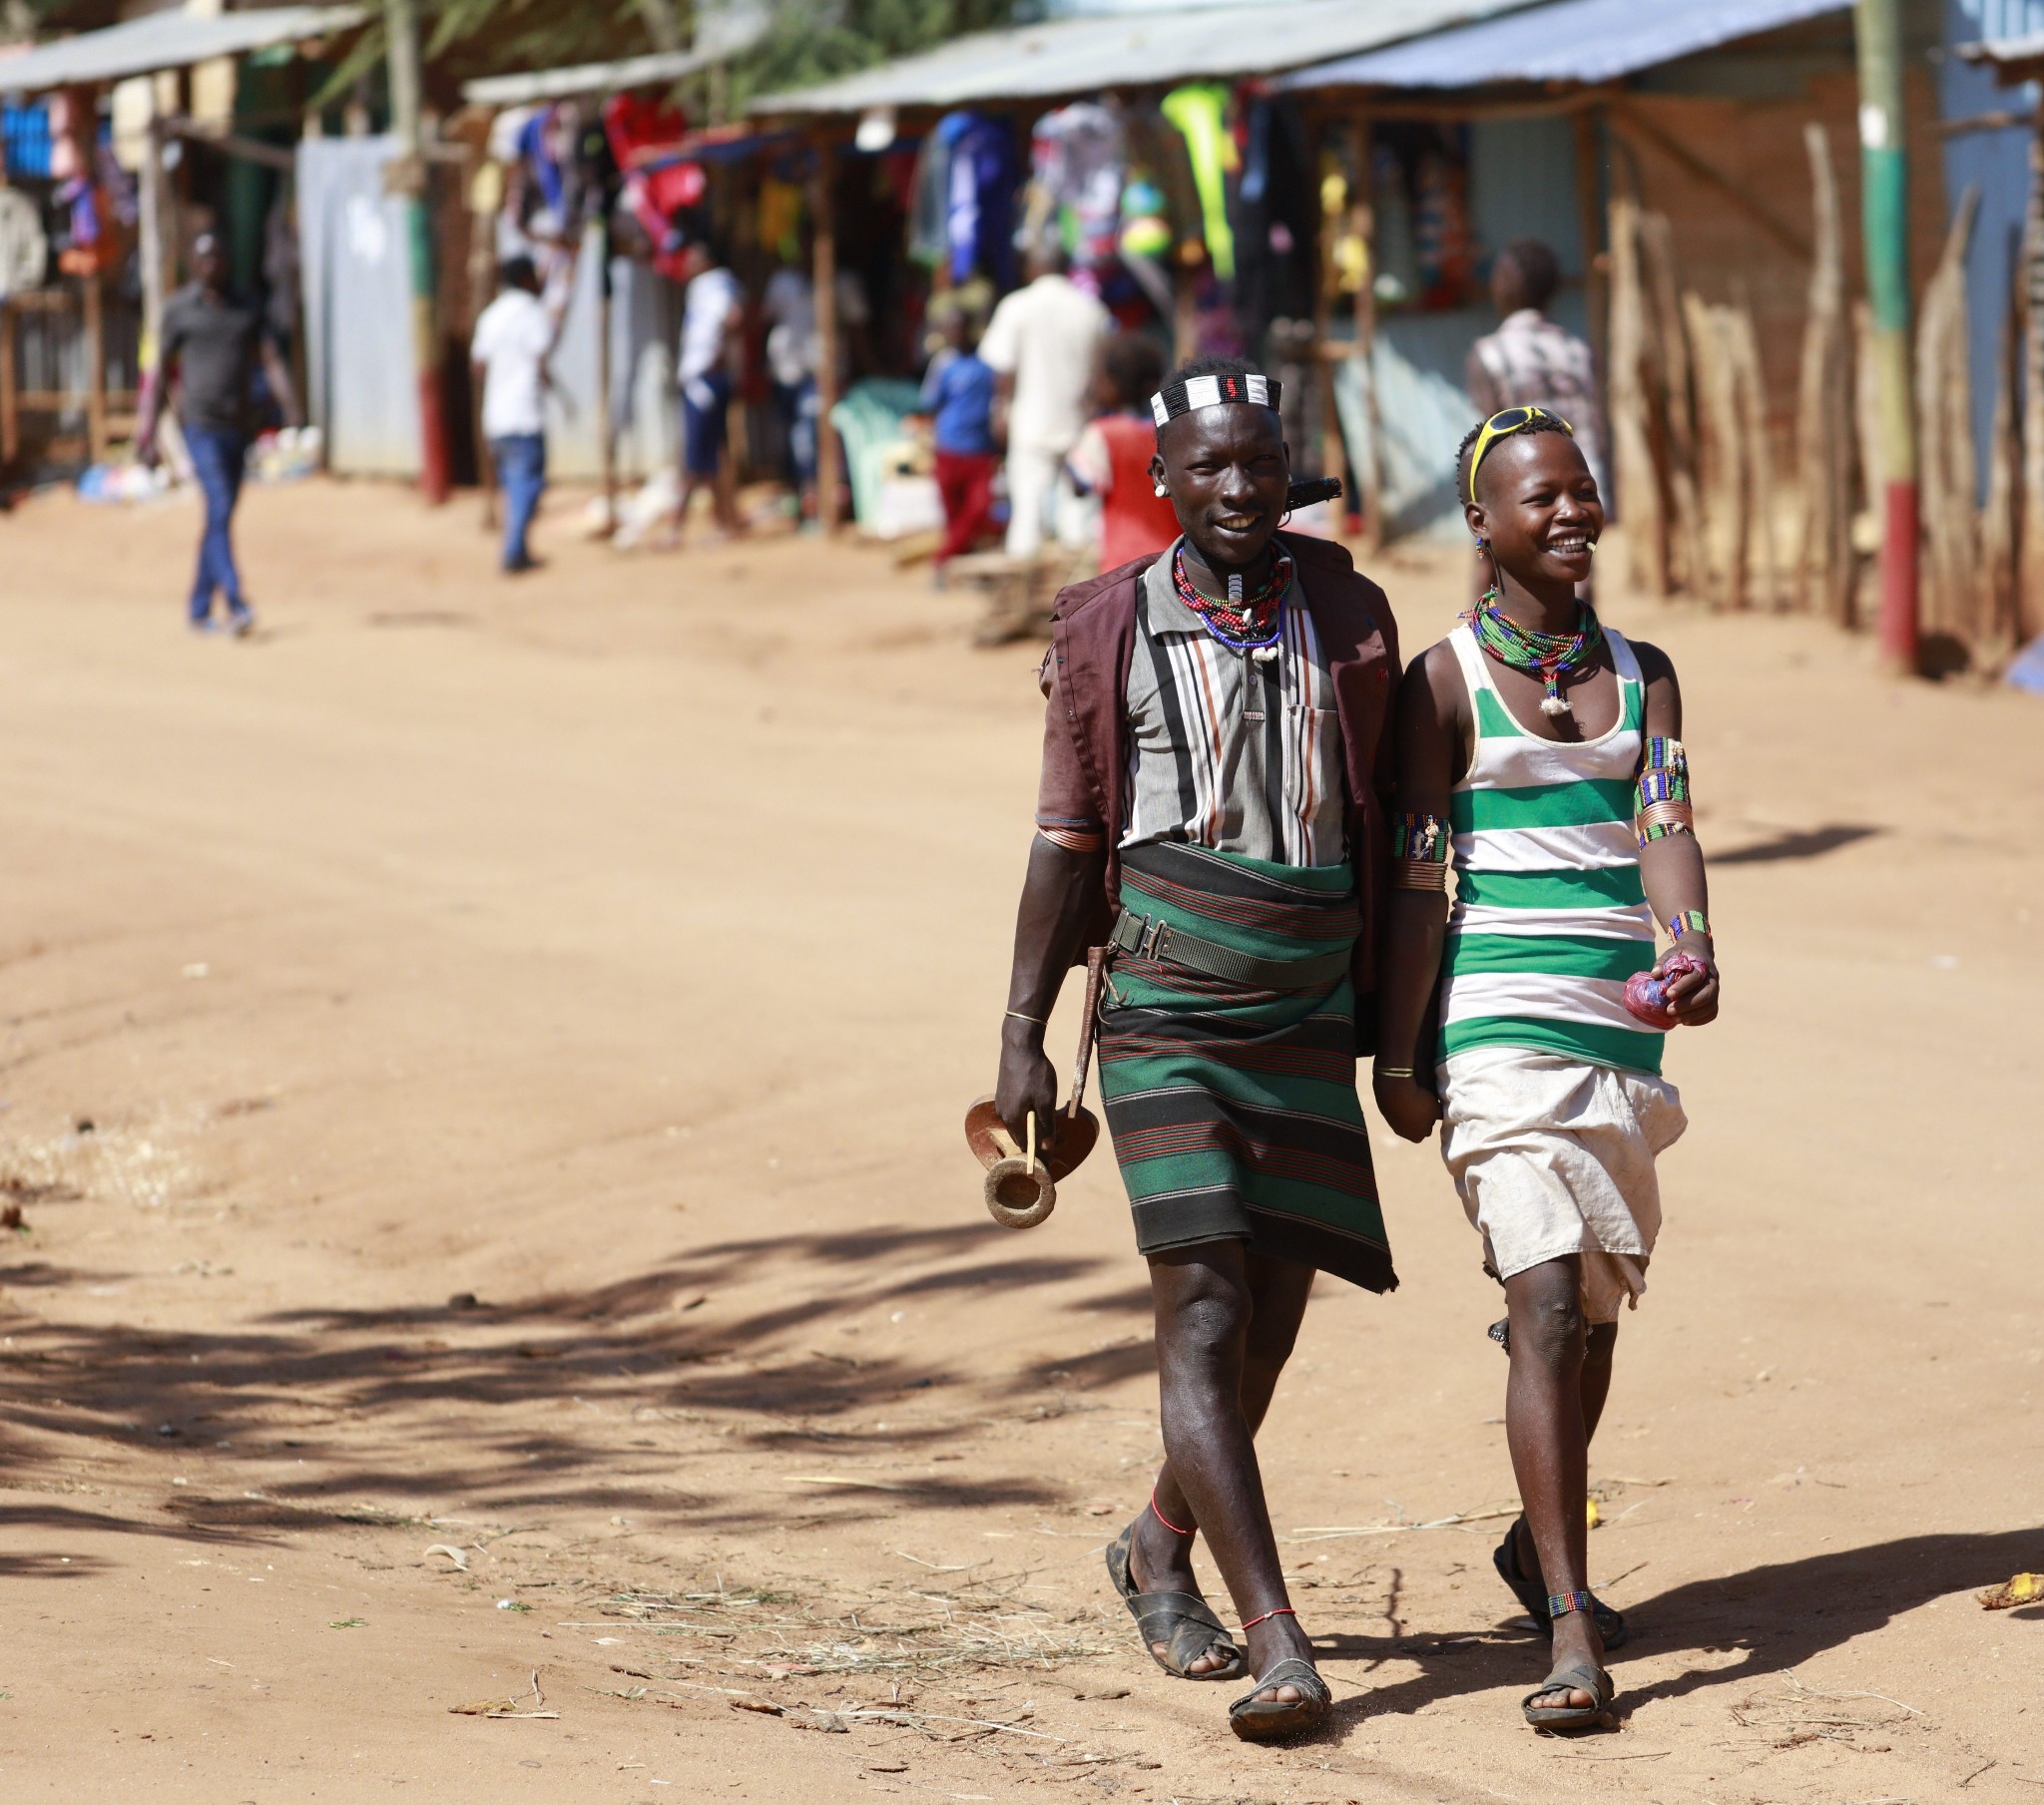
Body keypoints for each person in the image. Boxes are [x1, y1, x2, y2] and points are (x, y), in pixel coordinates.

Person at [994, 356, 1400, 1743]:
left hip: (1306, 1018)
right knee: (1207, 1312)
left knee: (1271, 1327)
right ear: (1161, 482)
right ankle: (1280, 1635)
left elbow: (1394, 823)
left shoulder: (1347, 610)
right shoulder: (1107, 626)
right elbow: (1065, 838)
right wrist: (1022, 1037)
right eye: (1211, 466)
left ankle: (1158, 1542)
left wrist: (1401, 1034)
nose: (1240, 487)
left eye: (1262, 461)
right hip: (1165, 1010)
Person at [1371, 407, 1720, 1734]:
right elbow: (1416, 879)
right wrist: (1402, 1055)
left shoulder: (1649, 674)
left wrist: (1690, 946)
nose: (1570, 513)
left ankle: (1536, 1541)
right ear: (1482, 524)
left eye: (1583, 491)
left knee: (1595, 1303)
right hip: (1493, 1033)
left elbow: (1668, 828)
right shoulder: (1442, 681)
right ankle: (1570, 1619)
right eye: (1541, 498)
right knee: (1546, 1304)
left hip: (1620, 1041)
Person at [137, 230, 301, 635]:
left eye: (218, 258)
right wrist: (147, 433)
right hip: (200, 426)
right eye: (204, 259)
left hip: (239, 429)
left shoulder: (247, 308)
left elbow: (271, 359)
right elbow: (159, 375)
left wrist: (292, 407)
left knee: (219, 516)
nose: (211, 266)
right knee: (220, 505)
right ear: (194, 264)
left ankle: (197, 608)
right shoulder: (180, 310)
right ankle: (236, 600)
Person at [1465, 237, 1607, 528]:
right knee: (1575, 563)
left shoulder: (1490, 354)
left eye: (1498, 275)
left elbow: (1486, 439)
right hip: (1586, 481)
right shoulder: (1578, 350)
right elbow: (1598, 424)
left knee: (1505, 570)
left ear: (1506, 284)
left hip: (1524, 492)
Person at [978, 241, 1107, 558]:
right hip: (1078, 422)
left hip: (1030, 422)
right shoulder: (1091, 309)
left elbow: (1002, 369)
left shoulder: (1016, 306)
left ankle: (1023, 591)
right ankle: (1078, 592)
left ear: (1033, 268)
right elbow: (1102, 373)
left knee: (1027, 512)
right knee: (1077, 514)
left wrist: (999, 411)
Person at [1065, 333, 1180, 575]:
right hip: (1173, 560)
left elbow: (1079, 485)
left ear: (1112, 383)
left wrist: (1089, 415)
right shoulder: (1173, 433)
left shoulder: (1103, 434)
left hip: (1123, 564)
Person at [469, 254, 554, 575]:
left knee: (514, 485)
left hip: (496, 418)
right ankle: (514, 549)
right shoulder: (533, 314)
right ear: (525, 280)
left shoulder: (490, 317)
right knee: (527, 485)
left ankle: (517, 546)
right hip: (524, 415)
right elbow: (541, 358)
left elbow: (478, 365)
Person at [670, 238, 745, 544]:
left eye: (694, 258)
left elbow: (734, 318)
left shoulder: (719, 284)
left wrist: (717, 360)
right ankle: (725, 522)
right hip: (702, 379)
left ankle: (675, 528)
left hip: (706, 381)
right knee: (713, 454)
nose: (688, 264)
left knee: (695, 457)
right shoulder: (700, 287)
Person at [917, 298, 998, 570]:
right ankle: (957, 563)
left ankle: (944, 558)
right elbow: (930, 403)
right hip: (949, 447)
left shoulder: (987, 365)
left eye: (960, 327)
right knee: (953, 512)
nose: (956, 333)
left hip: (979, 449)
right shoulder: (943, 365)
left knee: (978, 507)